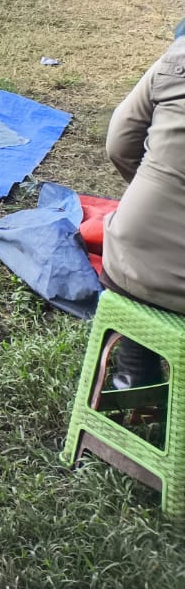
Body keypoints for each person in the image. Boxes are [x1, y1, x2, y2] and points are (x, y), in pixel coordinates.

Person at [99, 35, 185, 388]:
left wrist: (157, 190)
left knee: (148, 273)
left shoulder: (180, 52)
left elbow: (119, 144)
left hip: (132, 253)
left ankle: (132, 376)